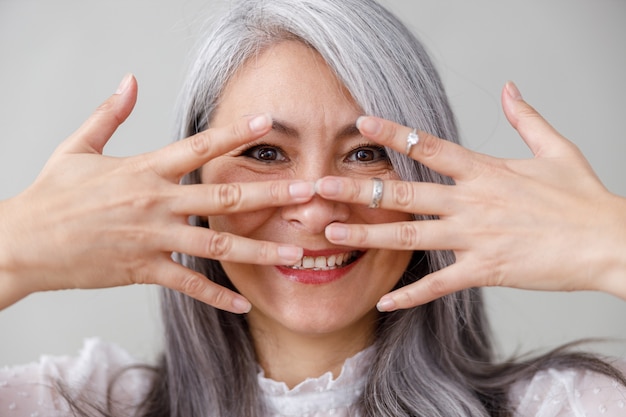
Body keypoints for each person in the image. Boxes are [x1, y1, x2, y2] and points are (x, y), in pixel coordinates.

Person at [0, 0, 625, 416]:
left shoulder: (567, 406)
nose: (319, 215)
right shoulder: (69, 402)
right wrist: (20, 244)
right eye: (267, 154)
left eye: (364, 156)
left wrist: (609, 242)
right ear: (191, 181)